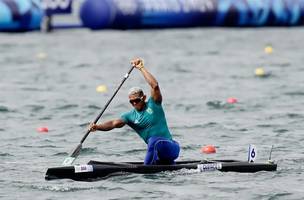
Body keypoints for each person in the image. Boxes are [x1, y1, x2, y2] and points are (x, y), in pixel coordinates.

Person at [89, 58, 180, 165]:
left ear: (144, 97)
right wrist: (97, 127)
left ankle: (146, 171)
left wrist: (141, 68)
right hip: (159, 155)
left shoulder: (154, 104)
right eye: (131, 102)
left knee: (154, 141)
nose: (134, 103)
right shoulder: (130, 116)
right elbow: (113, 124)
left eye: (137, 100)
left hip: (171, 147)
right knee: (153, 144)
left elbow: (154, 85)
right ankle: (155, 166)